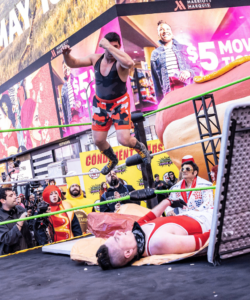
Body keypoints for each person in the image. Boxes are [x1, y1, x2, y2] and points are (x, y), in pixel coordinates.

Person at [62, 32, 151, 176]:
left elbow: (129, 63)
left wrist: (109, 46)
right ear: (103, 48)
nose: (110, 50)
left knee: (124, 140)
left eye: (114, 47)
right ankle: (112, 160)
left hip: (119, 104)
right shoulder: (96, 58)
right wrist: (66, 55)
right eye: (108, 47)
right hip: (100, 105)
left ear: (118, 47)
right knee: (98, 140)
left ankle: (141, 148)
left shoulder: (121, 63)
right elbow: (73, 63)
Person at [96, 195, 211, 270]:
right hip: (206, 221)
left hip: (194, 214)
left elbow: (151, 215)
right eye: (117, 239)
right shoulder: (157, 242)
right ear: (128, 252)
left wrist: (168, 201)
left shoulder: (136, 232)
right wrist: (221, 223)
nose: (117, 233)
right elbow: (202, 241)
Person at [150, 20, 196, 102]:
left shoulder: (184, 48)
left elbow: (197, 67)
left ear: (172, 33)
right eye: (161, 29)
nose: (165, 31)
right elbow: (156, 81)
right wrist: (160, 104)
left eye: (167, 29)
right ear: (158, 35)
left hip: (187, 89)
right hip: (169, 94)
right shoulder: (155, 54)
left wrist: (188, 72)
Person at [0, 187, 33, 255]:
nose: (15, 197)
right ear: (3, 201)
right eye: (11, 196)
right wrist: (21, 221)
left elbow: (30, 227)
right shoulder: (1, 217)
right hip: (11, 258)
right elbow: (8, 239)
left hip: (29, 252)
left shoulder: (20, 209)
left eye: (14, 194)